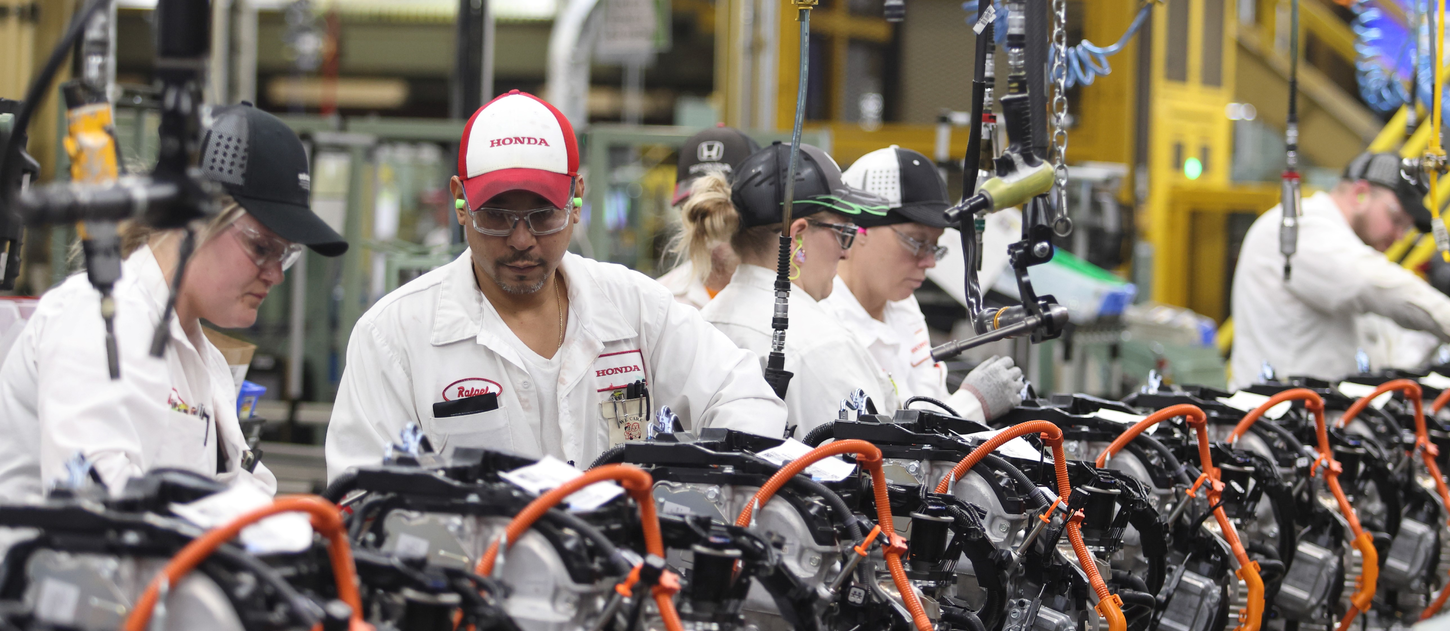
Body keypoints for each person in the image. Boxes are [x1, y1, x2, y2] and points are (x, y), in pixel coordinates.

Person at [325, 91, 784, 479]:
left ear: (576, 199)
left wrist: (709, 490)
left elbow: (742, 394)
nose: (522, 240)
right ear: (460, 202)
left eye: (543, 215)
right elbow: (361, 494)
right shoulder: (394, 337)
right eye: (497, 216)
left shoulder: (634, 308)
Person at [0, 104, 346, 518]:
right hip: (39, 578)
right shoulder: (98, 317)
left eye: (286, 256)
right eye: (262, 248)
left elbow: (243, 496)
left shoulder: (204, 363)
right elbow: (93, 510)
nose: (276, 275)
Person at [1229, 151, 1450, 384]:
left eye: (1406, 228)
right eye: (1396, 219)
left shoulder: (1347, 246)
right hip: (1273, 424)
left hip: (1312, 421)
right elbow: (1371, 285)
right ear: (1360, 194)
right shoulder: (1298, 225)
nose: (1399, 236)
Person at [683, 143, 897, 434]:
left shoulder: (703, 323)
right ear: (796, 237)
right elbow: (873, 467)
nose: (845, 253)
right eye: (843, 233)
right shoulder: (820, 347)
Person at [826, 146, 1026, 423]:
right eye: (917, 242)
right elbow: (875, 449)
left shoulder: (901, 305)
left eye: (935, 246)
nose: (929, 262)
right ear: (859, 227)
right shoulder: (826, 325)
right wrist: (971, 404)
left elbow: (930, 399)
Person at [656, 127, 759, 309]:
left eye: (722, 204)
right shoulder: (659, 298)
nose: (711, 222)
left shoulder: (785, 300)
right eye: (699, 208)